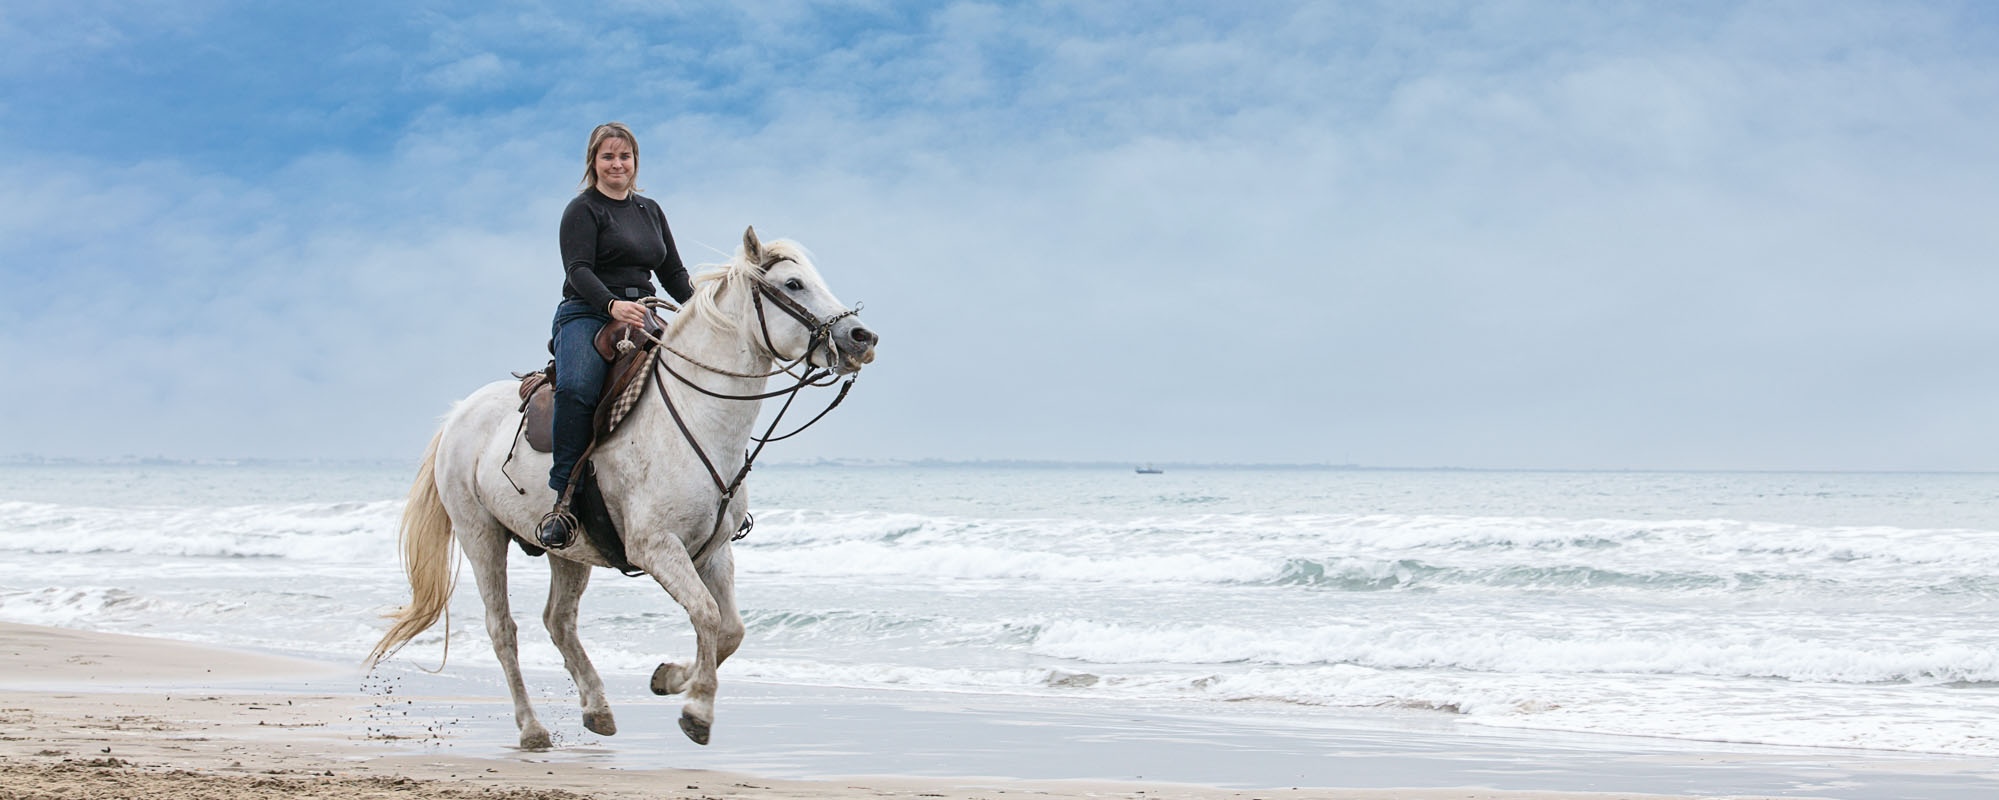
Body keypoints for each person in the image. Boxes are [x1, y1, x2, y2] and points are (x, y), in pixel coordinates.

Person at [540, 122, 694, 548]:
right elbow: (578, 271)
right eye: (607, 156)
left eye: (624, 156)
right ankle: (564, 499)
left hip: (643, 312)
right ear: (593, 162)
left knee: (691, 378)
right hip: (587, 313)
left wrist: (702, 310)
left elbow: (673, 274)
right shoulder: (582, 210)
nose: (617, 164)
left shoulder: (650, 211)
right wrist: (610, 304)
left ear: (635, 162)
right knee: (576, 388)